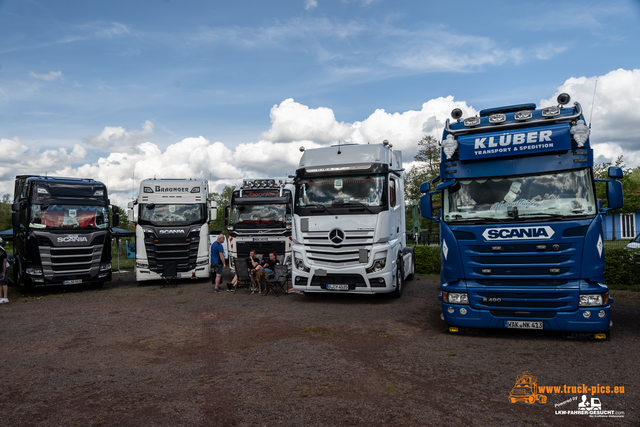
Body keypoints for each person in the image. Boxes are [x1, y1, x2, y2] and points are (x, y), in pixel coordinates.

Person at [0, 238, 8, 304]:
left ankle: (5, 297)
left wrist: (3, 272)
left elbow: (4, 263)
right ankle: (0, 296)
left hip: (3, 268)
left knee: (3, 281)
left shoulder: (2, 251)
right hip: (1, 267)